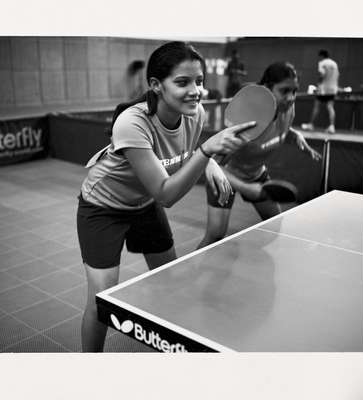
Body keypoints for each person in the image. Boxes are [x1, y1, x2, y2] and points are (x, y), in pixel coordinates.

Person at [77, 41, 256, 352]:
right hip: (102, 207)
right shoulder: (132, 123)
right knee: (101, 300)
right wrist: (207, 151)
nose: (195, 90)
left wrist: (209, 160)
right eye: (182, 82)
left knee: (169, 280)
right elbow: (166, 194)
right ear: (156, 85)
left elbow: (184, 152)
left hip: (142, 205)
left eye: (199, 81)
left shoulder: (195, 113)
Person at [197, 62, 322, 249]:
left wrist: (295, 135)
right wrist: (246, 188)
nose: (291, 98)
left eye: (295, 91)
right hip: (226, 178)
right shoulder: (246, 125)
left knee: (274, 221)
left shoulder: (288, 110)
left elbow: (280, 127)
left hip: (257, 174)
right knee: (215, 235)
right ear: (267, 90)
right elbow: (214, 166)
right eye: (285, 91)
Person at [301, 49, 340, 133]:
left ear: (322, 56)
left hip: (323, 89)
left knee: (316, 106)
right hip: (333, 89)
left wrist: (318, 85)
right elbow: (337, 75)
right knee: (330, 107)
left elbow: (322, 74)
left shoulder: (322, 63)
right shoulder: (334, 64)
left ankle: (311, 124)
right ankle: (332, 126)